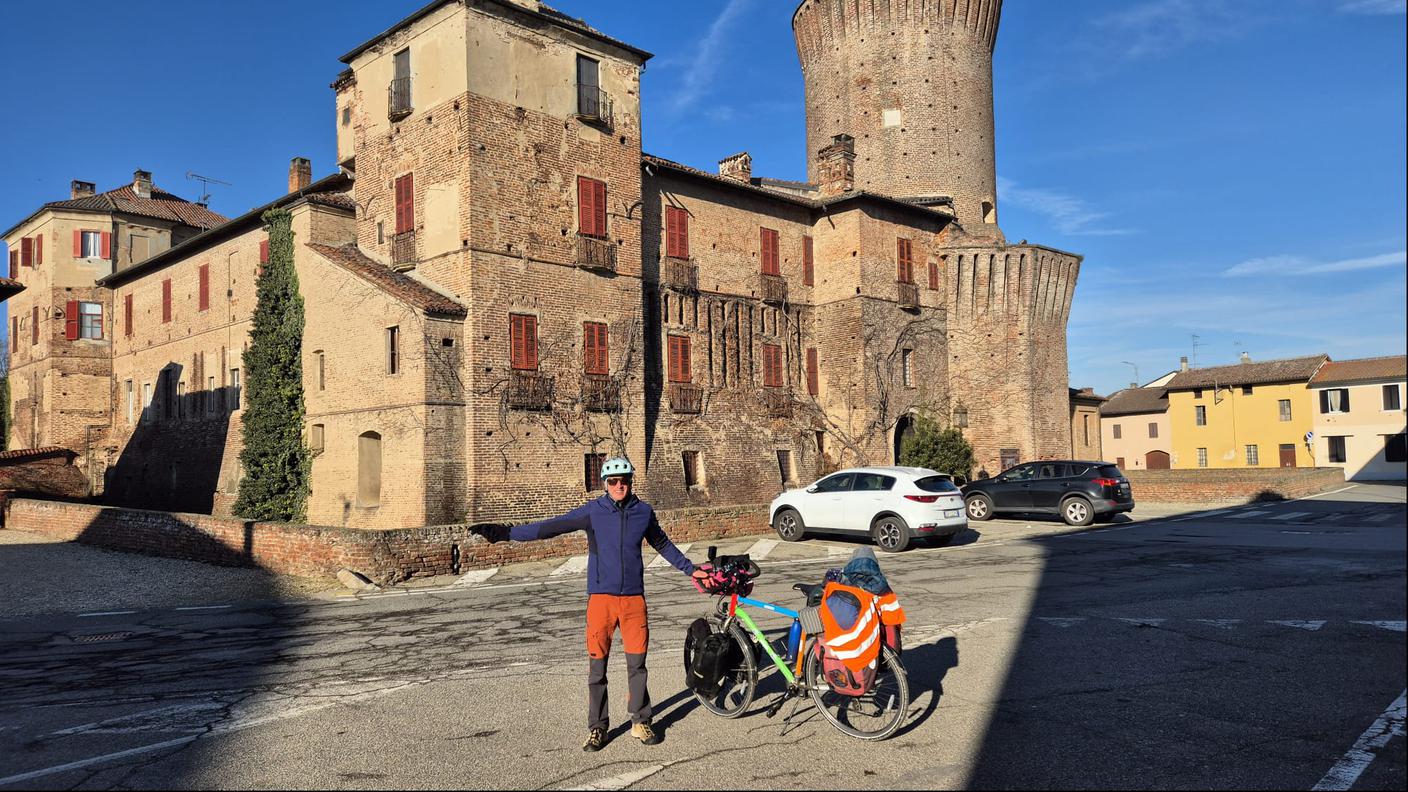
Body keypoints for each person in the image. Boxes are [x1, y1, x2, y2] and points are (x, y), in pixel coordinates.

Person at [482, 456, 709, 752]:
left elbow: (663, 544)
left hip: (633, 601)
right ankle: (597, 727)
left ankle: (640, 721)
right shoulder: (593, 512)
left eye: (624, 480)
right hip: (601, 600)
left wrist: (691, 569)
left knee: (637, 666)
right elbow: (553, 526)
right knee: (596, 669)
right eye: (613, 482)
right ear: (605, 484)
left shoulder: (643, 512)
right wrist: (506, 533)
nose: (619, 486)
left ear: (630, 481)